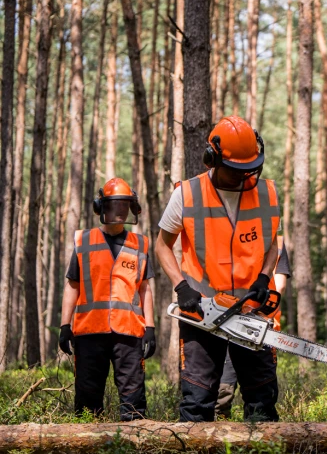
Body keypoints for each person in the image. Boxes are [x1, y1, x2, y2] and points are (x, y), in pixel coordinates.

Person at [155, 115, 283, 422]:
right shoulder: (186, 194)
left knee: (261, 401)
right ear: (212, 159)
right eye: (236, 170)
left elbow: (273, 243)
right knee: (198, 400)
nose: (243, 176)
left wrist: (265, 276)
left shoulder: (267, 193)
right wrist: (181, 285)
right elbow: (162, 245)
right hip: (202, 311)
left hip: (251, 309)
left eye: (248, 169)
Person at [59, 178, 155, 421]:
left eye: (125, 206)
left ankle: (134, 442)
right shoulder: (84, 241)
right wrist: (64, 325)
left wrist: (150, 328)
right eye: (115, 205)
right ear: (101, 207)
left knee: (133, 399)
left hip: (129, 332)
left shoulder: (140, 243)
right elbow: (72, 285)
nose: (120, 211)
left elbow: (144, 288)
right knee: (87, 399)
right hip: (89, 331)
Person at [215, 238, 290, 420]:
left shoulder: (277, 243)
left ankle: (226, 429)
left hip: (258, 325)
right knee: (250, 393)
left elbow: (279, 286)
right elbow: (280, 285)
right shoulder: (276, 241)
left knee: (229, 392)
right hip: (234, 322)